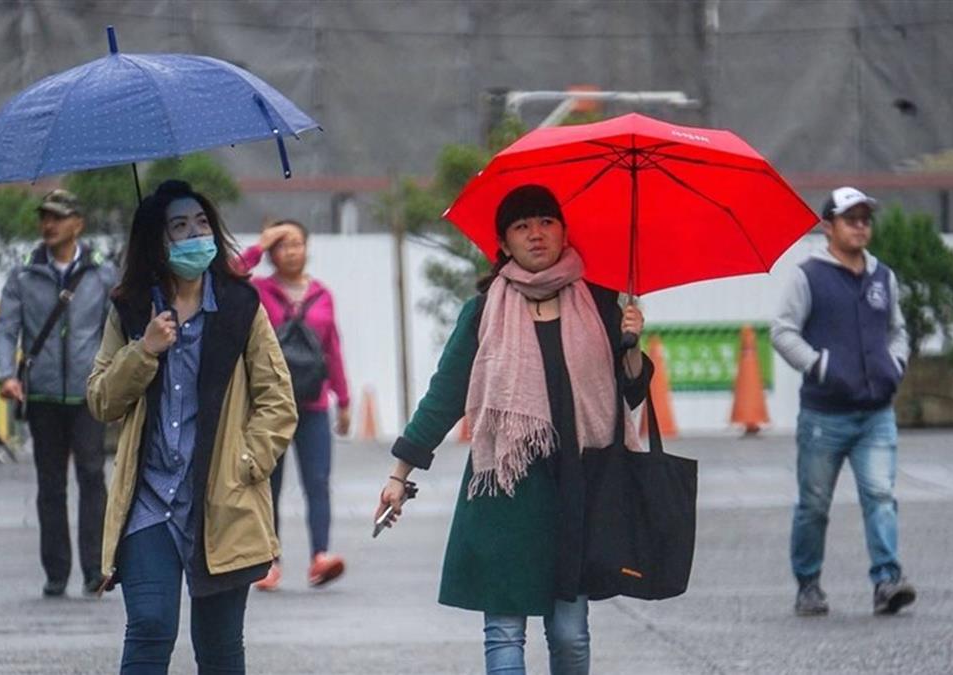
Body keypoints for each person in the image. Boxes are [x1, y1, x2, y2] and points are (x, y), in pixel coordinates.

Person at [374, 185, 651, 674]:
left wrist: (630, 343)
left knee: (570, 636)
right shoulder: (484, 311)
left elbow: (629, 394)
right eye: (522, 226)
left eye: (546, 221)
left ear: (564, 231)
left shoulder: (600, 301)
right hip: (505, 486)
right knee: (503, 633)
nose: (536, 234)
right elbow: (444, 397)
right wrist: (400, 474)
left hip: (578, 486)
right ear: (504, 243)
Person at [86, 180, 297, 673]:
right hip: (149, 502)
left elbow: (277, 400)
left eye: (202, 223)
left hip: (223, 499)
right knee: (150, 628)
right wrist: (144, 351)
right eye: (179, 227)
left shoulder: (241, 307)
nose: (194, 234)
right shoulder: (132, 309)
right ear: (157, 242)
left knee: (220, 648)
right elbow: (101, 400)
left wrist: (247, 463)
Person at [770, 186, 916, 617]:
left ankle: (887, 581)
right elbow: (782, 332)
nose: (860, 226)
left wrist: (896, 364)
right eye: (850, 218)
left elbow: (897, 330)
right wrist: (820, 367)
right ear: (827, 225)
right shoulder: (807, 275)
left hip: (876, 414)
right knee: (814, 505)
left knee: (880, 494)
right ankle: (808, 585)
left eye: (865, 218)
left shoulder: (882, 276)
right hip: (823, 415)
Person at [0, 188, 116, 598]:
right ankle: (56, 571)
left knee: (93, 476)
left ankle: (95, 569)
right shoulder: (24, 275)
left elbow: (116, 329)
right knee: (50, 484)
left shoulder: (102, 274)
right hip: (42, 393)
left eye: (58, 217)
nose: (49, 224)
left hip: (88, 393)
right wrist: (5, 373)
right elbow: (5, 329)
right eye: (45, 217)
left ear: (77, 224)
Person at [237, 219, 351, 590]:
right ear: (272, 252)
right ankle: (269, 561)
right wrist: (258, 244)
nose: (291, 251)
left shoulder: (323, 294)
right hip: (269, 405)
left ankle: (321, 556)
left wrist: (344, 399)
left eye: (298, 243)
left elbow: (332, 347)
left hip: (314, 404)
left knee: (318, 481)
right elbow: (227, 279)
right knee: (269, 484)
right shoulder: (257, 290)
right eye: (282, 245)